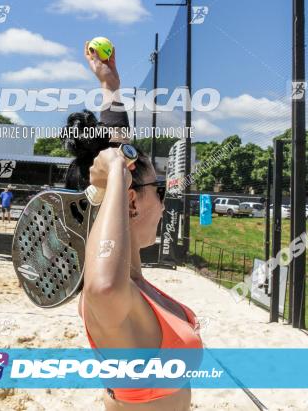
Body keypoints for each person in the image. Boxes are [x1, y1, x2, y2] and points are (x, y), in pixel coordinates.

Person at [66, 43, 203, 410]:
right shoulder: (109, 292)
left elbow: (121, 156)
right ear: (129, 200)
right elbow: (104, 287)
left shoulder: (132, 277)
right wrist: (113, 173)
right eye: (158, 189)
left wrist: (110, 87)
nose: (163, 201)